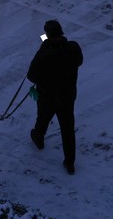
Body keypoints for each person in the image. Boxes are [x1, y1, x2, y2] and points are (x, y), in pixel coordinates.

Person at [27, 20, 83, 175]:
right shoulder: (73, 47)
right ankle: (70, 163)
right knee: (67, 130)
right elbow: (78, 60)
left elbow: (32, 76)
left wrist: (45, 46)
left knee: (43, 117)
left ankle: (39, 137)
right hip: (67, 97)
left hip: (48, 97)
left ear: (48, 35)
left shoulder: (45, 53)